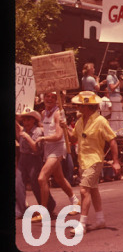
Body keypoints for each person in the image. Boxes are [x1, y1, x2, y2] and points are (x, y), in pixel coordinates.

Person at [66, 91, 120, 236]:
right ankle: (100, 219)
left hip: (95, 160)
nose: (78, 107)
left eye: (81, 105)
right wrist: (65, 127)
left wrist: (116, 161)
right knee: (93, 190)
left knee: (84, 190)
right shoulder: (80, 121)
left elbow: (112, 140)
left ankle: (82, 224)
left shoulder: (101, 121)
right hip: (83, 161)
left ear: (89, 106)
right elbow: (72, 139)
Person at [34, 92, 80, 223]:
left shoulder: (58, 113)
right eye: (47, 96)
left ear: (58, 100)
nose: (49, 99)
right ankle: (75, 201)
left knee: (42, 178)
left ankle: (44, 211)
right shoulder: (44, 113)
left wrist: (43, 137)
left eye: (53, 97)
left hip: (58, 148)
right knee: (59, 178)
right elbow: (47, 129)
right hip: (48, 148)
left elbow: (59, 135)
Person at [15, 108, 56, 220]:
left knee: (36, 185)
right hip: (23, 159)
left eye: (28, 119)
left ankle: (49, 206)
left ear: (34, 120)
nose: (26, 122)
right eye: (24, 120)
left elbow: (37, 149)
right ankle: (20, 210)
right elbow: (17, 129)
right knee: (18, 183)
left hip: (34, 159)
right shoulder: (23, 130)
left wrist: (28, 138)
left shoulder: (38, 131)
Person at [106, 60, 123, 134]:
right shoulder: (110, 77)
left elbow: (121, 86)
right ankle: (114, 130)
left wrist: (121, 80)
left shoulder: (115, 76)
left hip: (117, 96)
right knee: (115, 114)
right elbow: (112, 88)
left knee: (120, 114)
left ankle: (121, 130)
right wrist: (118, 81)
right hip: (113, 96)